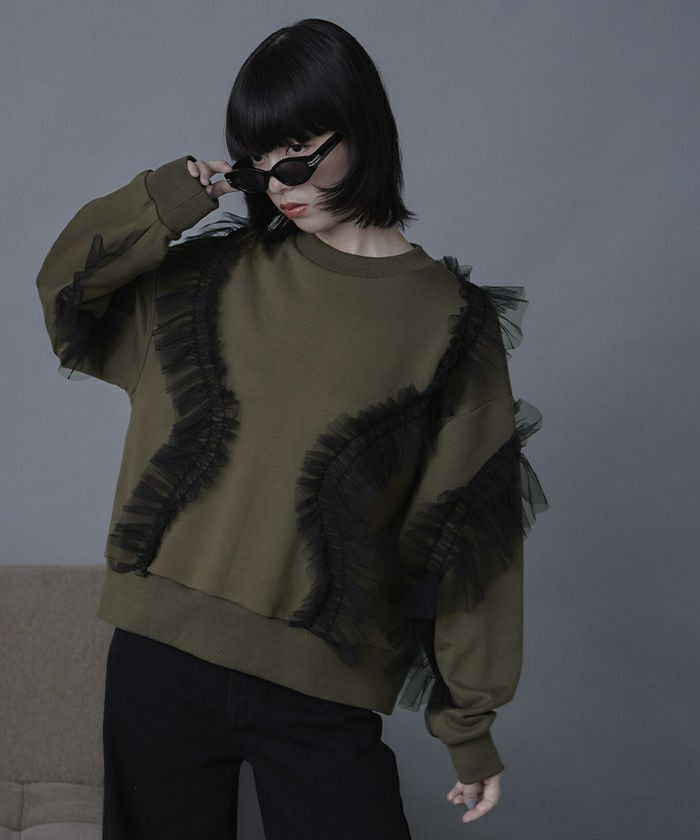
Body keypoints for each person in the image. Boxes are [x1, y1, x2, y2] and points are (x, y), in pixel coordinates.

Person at [35, 17, 548, 840]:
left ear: (362, 131)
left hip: (319, 689)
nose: (279, 180)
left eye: (299, 149)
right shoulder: (208, 279)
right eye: (258, 157)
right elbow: (68, 293)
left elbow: (467, 536)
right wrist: (167, 198)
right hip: (158, 663)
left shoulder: (450, 325)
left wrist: (469, 726)